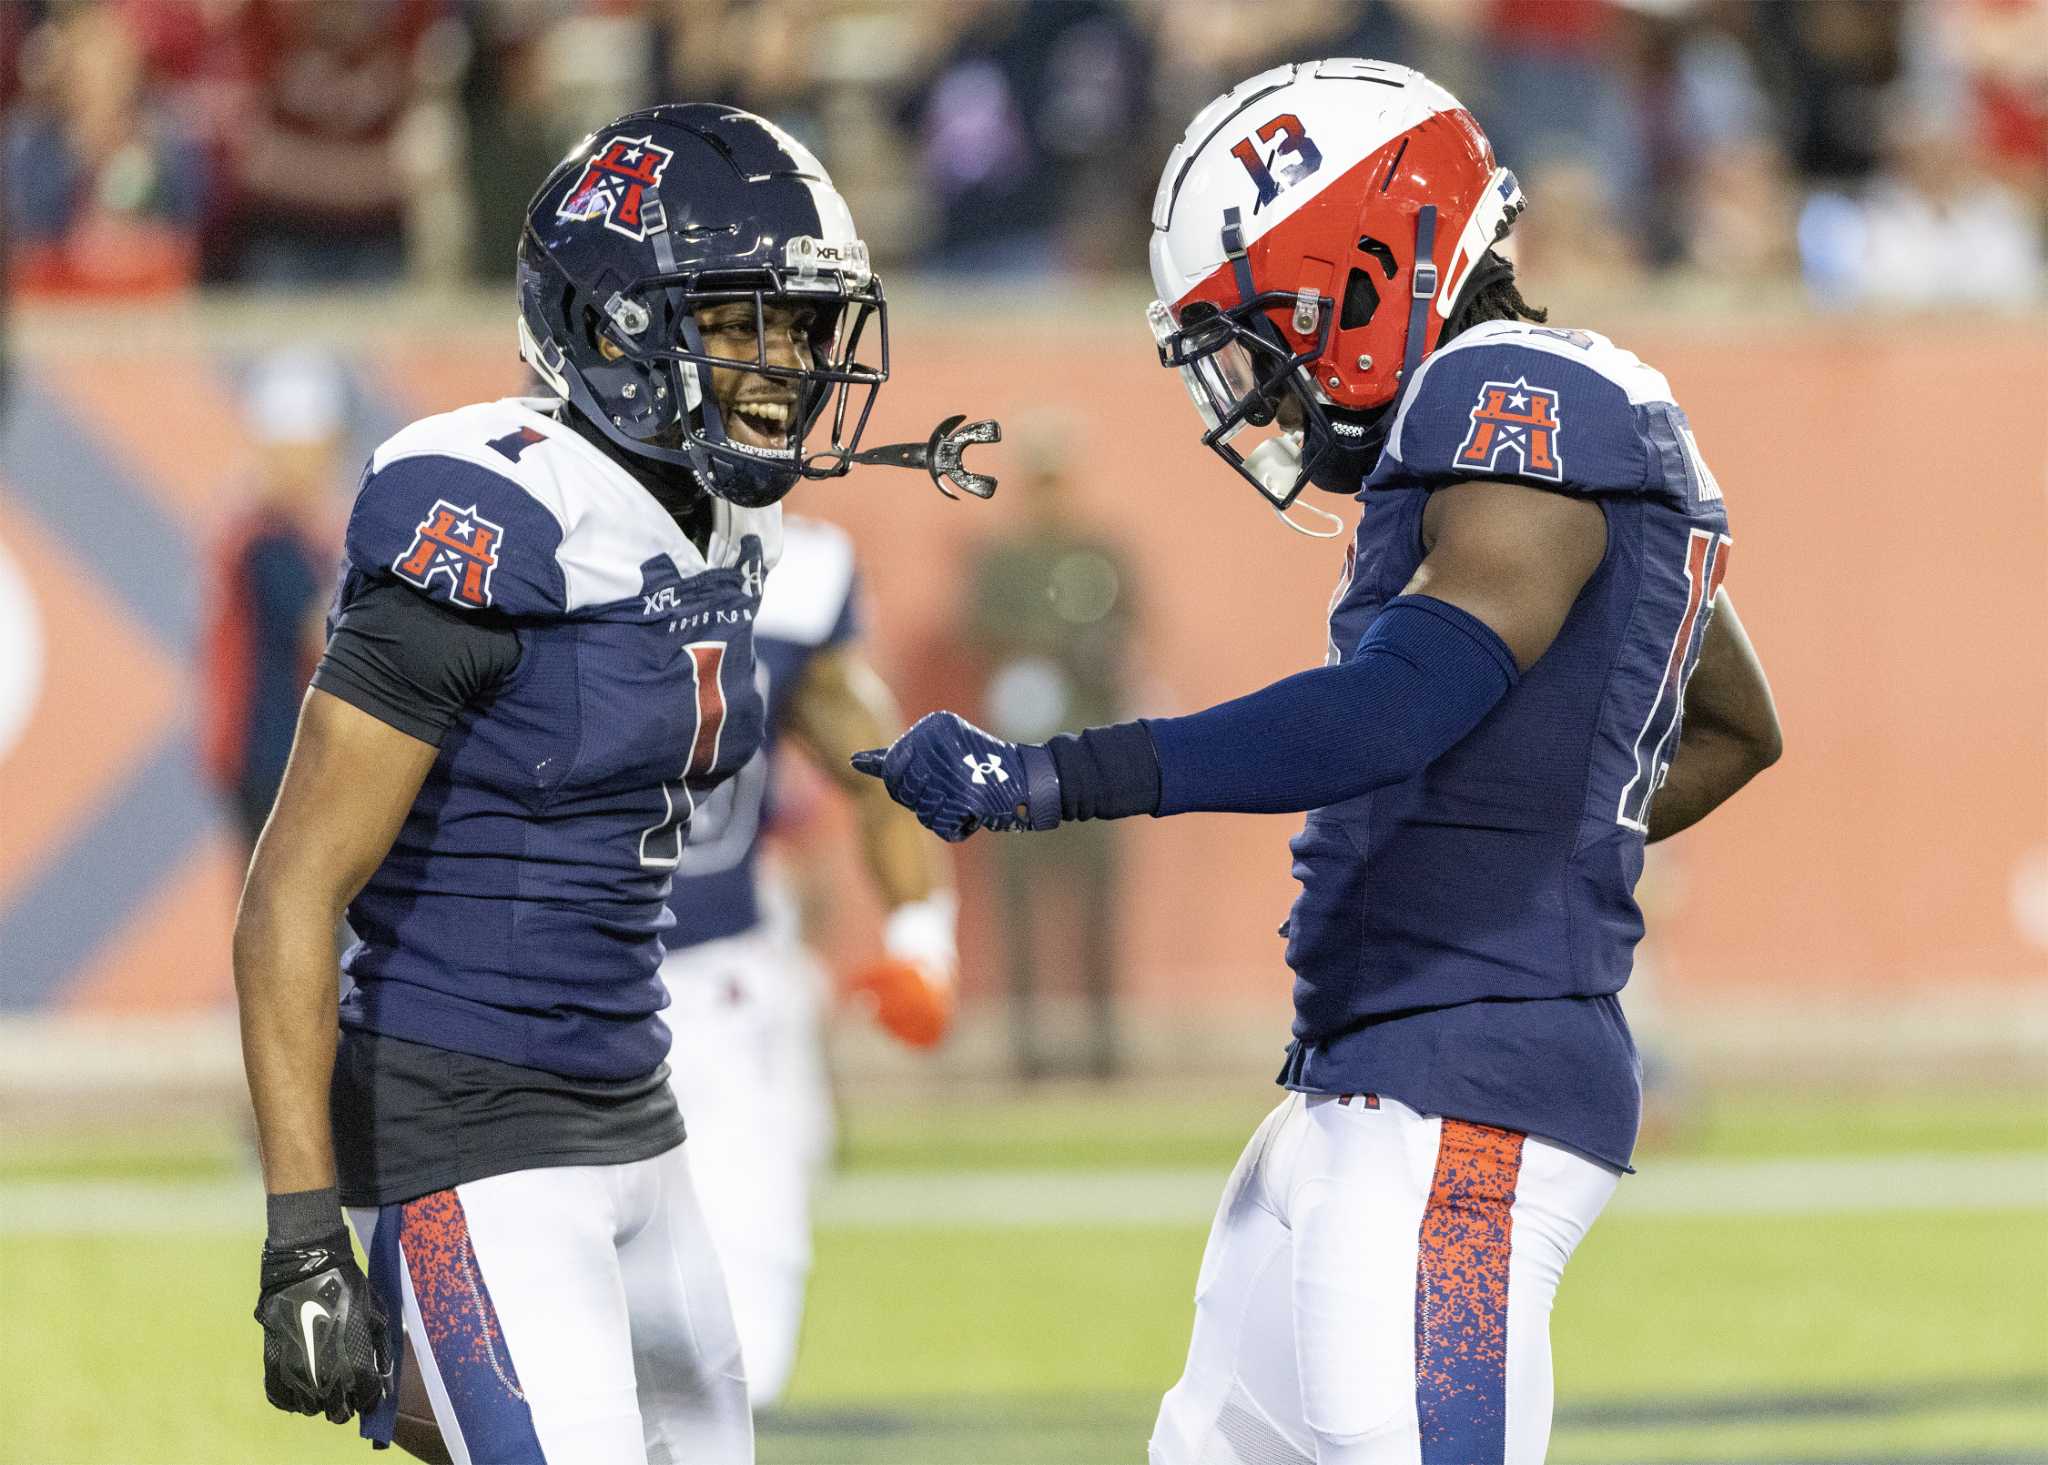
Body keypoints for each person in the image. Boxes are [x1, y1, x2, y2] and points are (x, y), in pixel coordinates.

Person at [855, 59, 1783, 1465]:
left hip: (1457, 1096)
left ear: (1363, 275)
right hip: (1373, 1079)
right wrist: (1535, 835)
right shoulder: (1563, 412)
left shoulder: (1517, 396)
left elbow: (1397, 707)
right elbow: (1727, 724)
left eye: (1264, 331)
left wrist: (1051, 776)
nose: (1259, 384)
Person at [235, 104, 897, 1464]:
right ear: (615, 325)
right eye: (743, 323)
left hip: (635, 1106)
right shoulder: (494, 510)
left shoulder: (727, 515)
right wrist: (302, 1235)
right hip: (469, 1125)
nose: (788, 366)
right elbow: (293, 892)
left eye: (802, 327)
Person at [659, 512, 956, 1409]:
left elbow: (884, 764)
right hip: (539, 983)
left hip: (715, 982)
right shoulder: (540, 520)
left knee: (747, 1329)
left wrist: (922, 939)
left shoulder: (790, 572)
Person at [962, 434, 1135, 1077]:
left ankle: (1104, 1043)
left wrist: (1095, 654)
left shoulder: (1104, 555)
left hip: (1095, 751)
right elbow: (978, 633)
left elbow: (1129, 633)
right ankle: (1027, 1044)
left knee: (1099, 903)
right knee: (1019, 905)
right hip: (1020, 758)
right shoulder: (1002, 561)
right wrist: (1055, 642)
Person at [202, 350, 348, 855]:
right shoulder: (268, 541)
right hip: (275, 759)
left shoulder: (280, 533)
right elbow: (325, 635)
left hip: (272, 758)